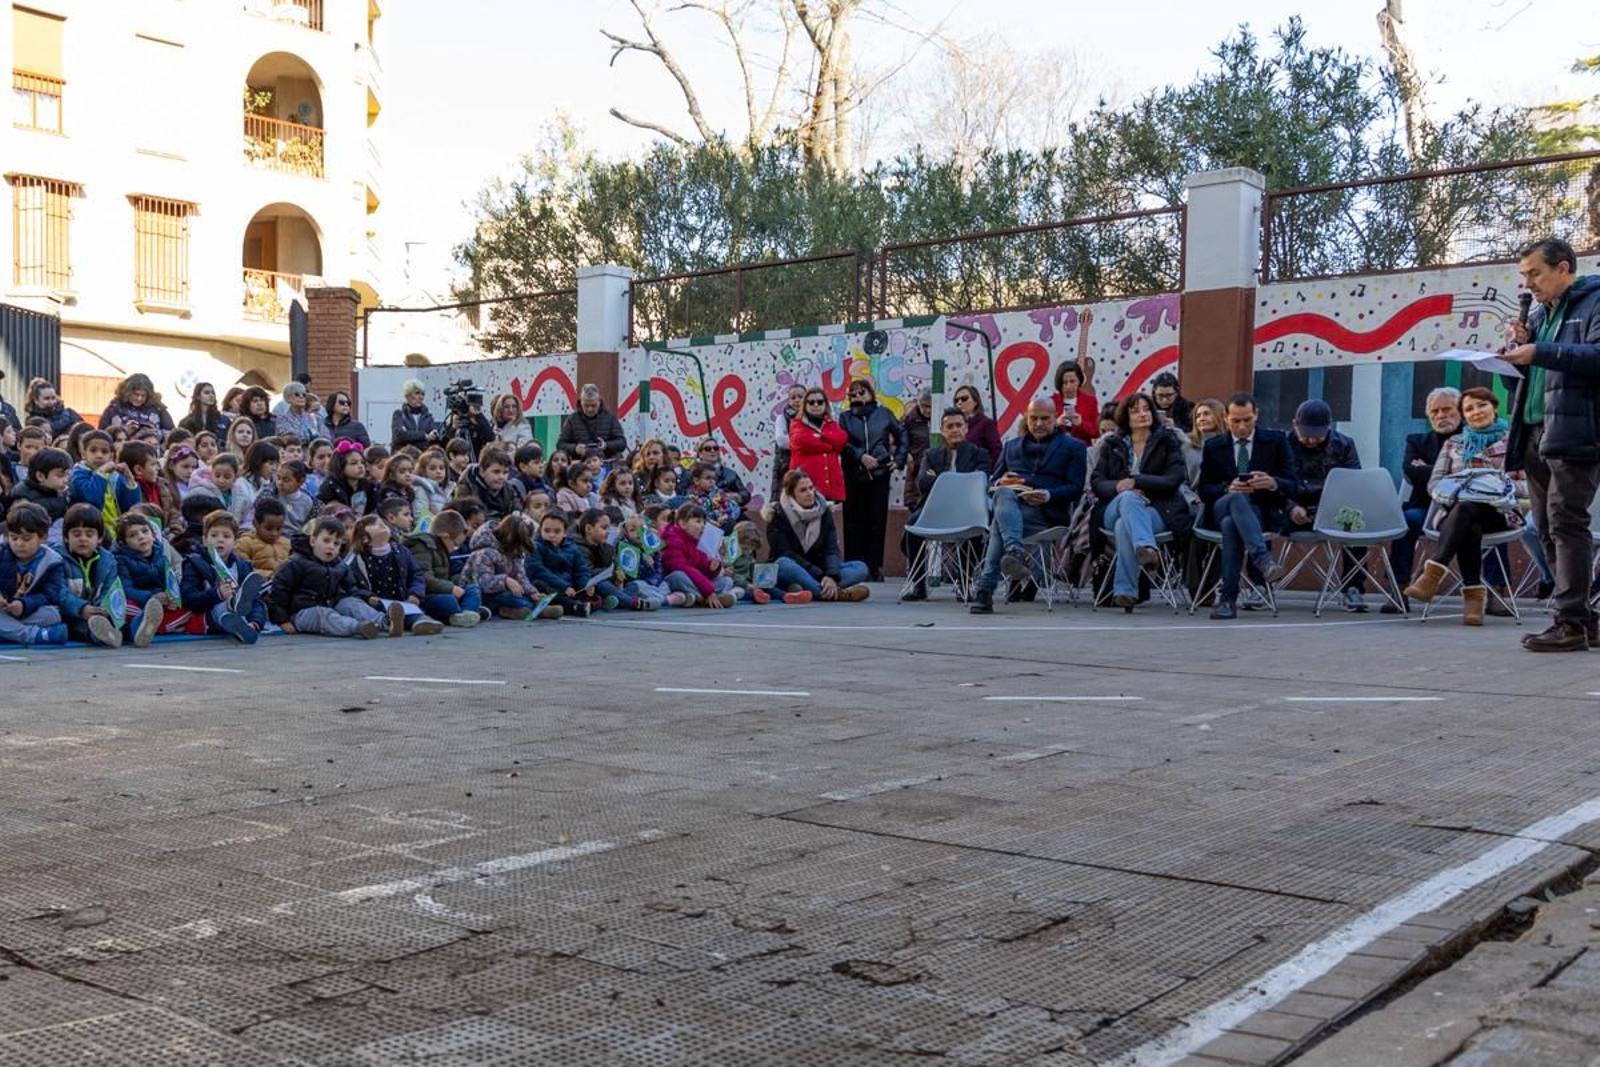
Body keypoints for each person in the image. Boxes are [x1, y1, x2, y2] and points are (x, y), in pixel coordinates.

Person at [1502, 237, 1600, 652]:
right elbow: (1519, 384)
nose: (1528, 284)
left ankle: (1570, 621)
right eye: (1524, 275)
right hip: (1533, 432)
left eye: (1535, 273)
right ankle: (1585, 620)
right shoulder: (1541, 316)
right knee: (1543, 528)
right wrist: (1512, 355)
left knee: (1566, 523)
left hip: (1575, 432)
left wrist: (1539, 350)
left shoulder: (1594, 302)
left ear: (1563, 268)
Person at [1400, 386, 1523, 626]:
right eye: (1469, 408)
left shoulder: (1513, 442)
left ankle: (1433, 574)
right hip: (1457, 511)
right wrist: (1459, 488)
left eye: (1482, 405)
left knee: (1466, 511)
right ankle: (1473, 604)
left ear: (1494, 408)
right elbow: (1434, 483)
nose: (1476, 412)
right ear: (1464, 415)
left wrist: (1499, 486)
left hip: (1498, 512)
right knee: (1468, 520)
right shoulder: (1454, 444)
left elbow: (1529, 484)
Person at [969, 400, 1087, 614]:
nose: (1039, 423)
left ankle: (986, 588)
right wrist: (1001, 481)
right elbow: (991, 483)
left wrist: (1047, 495)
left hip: (1048, 514)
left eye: (1045, 419)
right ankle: (1013, 553)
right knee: (1003, 494)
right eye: (1033, 418)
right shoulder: (1011, 446)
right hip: (1013, 510)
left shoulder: (1074, 447)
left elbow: (1076, 488)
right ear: (1026, 418)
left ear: (1055, 418)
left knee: (1000, 522)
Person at [1198, 393, 1296, 620]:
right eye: (1236, 421)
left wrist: (1273, 483)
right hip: (1221, 506)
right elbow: (1204, 490)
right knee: (1235, 499)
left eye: (1247, 420)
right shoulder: (1214, 446)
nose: (1242, 427)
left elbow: (1292, 484)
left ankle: (1227, 600)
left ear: (1256, 415)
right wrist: (1228, 488)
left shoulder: (1276, 441)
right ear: (1225, 417)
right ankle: (1263, 559)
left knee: (1231, 525)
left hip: (1259, 512)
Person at [1090, 393, 1192, 610]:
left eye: (1146, 409)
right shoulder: (1112, 444)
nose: (1143, 414)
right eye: (1135, 410)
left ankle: (1125, 591)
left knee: (1123, 527)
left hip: (1158, 509)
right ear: (1125, 417)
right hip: (1115, 507)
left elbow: (1175, 478)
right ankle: (1146, 547)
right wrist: (1119, 486)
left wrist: (1137, 481)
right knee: (1129, 498)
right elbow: (1097, 481)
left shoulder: (1167, 441)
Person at [1283, 399, 1368, 613]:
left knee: (1356, 523)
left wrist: (1330, 508)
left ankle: (1353, 587)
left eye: (1318, 435)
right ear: (1295, 425)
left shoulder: (1344, 444)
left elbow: (1353, 483)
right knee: (1261, 515)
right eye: (1306, 434)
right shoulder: (1283, 444)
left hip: (1332, 511)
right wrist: (1291, 507)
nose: (1311, 440)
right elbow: (1275, 485)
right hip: (1292, 510)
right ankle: (1260, 586)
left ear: (1328, 427)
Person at [901, 407, 991, 602]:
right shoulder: (931, 455)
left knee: (976, 527)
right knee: (913, 525)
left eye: (959, 425)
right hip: (935, 510)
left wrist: (941, 478)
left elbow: (979, 483)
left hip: (968, 509)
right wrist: (961, 480)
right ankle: (919, 585)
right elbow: (923, 483)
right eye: (949, 426)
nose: (955, 430)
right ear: (942, 431)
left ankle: (964, 583)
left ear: (966, 428)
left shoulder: (980, 454)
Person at [267, 516, 402, 639]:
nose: (331, 547)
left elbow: (352, 589)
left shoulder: (340, 565)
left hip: (331, 605)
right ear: (313, 541)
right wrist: (282, 620)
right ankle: (359, 627)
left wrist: (365, 597)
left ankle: (385, 622)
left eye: (336, 543)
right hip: (301, 613)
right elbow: (278, 593)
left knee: (351, 604)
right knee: (323, 615)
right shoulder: (295, 563)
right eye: (326, 541)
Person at [1389, 387, 1461, 612]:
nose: (1441, 416)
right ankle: (1399, 589)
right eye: (1435, 412)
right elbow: (1411, 472)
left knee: (1493, 520)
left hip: (1465, 510)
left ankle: (1497, 592)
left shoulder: (1473, 439)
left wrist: (1428, 469)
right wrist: (1452, 471)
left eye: (1447, 409)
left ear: (1460, 410)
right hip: (1425, 509)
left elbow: (1472, 474)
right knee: (1406, 520)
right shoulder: (1417, 441)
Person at [763, 470, 868, 604]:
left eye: (811, 488)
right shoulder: (776, 515)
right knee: (783, 563)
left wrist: (831, 576)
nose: (810, 493)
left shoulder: (824, 511)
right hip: (793, 569)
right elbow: (785, 553)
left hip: (820, 568)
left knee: (860, 568)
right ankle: (835, 594)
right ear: (791, 494)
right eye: (803, 490)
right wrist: (821, 575)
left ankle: (812, 589)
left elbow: (831, 549)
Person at [839, 380, 906, 582]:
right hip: (854, 474)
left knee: (877, 522)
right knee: (853, 522)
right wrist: (860, 456)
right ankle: (854, 566)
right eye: (853, 394)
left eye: (862, 392)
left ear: (870, 393)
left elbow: (902, 434)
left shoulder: (884, 413)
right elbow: (842, 442)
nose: (858, 396)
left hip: (879, 474)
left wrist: (899, 460)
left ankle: (874, 567)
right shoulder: (845, 417)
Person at [180, 510, 268, 644]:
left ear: (235, 542)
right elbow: (188, 598)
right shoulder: (194, 563)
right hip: (209, 616)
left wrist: (255, 622)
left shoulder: (243, 566)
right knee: (223, 611)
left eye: (226, 536)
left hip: (241, 617)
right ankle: (234, 605)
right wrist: (217, 594)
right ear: (204, 540)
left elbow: (256, 600)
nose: (220, 539)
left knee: (249, 605)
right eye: (214, 535)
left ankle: (244, 628)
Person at [349, 515, 445, 635]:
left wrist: (415, 594)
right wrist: (368, 597)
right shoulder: (357, 560)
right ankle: (390, 624)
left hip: (402, 601)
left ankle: (422, 623)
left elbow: (416, 574)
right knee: (371, 613)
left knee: (414, 613)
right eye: (373, 524)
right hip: (376, 604)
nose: (381, 524)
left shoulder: (402, 551)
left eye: (382, 522)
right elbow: (351, 586)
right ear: (364, 538)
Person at [54, 503, 128, 648]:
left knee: (122, 618)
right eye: (76, 534)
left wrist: (102, 609)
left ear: (99, 538)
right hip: (70, 613)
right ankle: (102, 636)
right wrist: (81, 608)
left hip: (96, 612)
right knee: (77, 625)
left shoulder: (108, 561)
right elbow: (58, 592)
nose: (83, 539)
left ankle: (135, 629)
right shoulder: (56, 558)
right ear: (66, 537)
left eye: (89, 534)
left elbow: (109, 589)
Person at [467, 513, 561, 620]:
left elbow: (521, 576)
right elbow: (484, 583)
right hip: (481, 596)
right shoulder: (485, 553)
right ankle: (534, 610)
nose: (521, 550)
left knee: (521, 594)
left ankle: (517, 610)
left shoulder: (514, 553)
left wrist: (532, 593)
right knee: (507, 597)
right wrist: (505, 580)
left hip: (504, 592)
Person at [0, 502, 68, 646]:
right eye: (14, 538)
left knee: (52, 615)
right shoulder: (2, 553)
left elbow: (49, 595)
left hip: (28, 611)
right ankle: (36, 635)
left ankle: (9, 631)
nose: (19, 544)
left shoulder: (53, 561)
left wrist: (24, 605)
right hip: (3, 610)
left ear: (43, 537)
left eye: (26, 539)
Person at [403, 509, 483, 627]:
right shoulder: (422, 546)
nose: (455, 549)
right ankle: (464, 612)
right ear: (445, 537)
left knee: (472, 589)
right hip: (425, 595)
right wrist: (450, 588)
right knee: (449, 601)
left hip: (441, 590)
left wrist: (460, 580)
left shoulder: (442, 548)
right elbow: (424, 578)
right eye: (455, 545)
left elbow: (446, 576)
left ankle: (465, 614)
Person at [661, 503, 736, 608]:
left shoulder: (694, 540)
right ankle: (705, 598)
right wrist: (708, 590)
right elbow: (682, 568)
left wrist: (712, 568)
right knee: (677, 576)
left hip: (694, 582)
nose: (703, 526)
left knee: (726, 581)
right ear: (683, 524)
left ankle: (698, 598)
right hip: (676, 581)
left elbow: (701, 565)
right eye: (698, 521)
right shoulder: (671, 539)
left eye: (704, 522)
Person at [788, 387, 848, 502]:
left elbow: (842, 439)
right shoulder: (797, 423)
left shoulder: (831, 423)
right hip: (806, 485)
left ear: (825, 404)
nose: (816, 405)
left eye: (820, 402)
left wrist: (822, 435)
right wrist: (831, 446)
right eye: (811, 402)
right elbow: (801, 442)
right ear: (805, 404)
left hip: (830, 485)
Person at [558, 384, 627, 461]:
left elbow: (622, 443)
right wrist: (575, 449)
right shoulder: (572, 419)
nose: (590, 409)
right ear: (581, 402)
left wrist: (606, 445)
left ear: (599, 401)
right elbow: (560, 445)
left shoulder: (610, 418)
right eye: (586, 405)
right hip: (580, 463)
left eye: (593, 405)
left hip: (605, 461)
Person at [99, 374, 173, 436]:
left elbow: (171, 435)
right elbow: (102, 436)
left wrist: (154, 434)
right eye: (136, 394)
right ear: (127, 392)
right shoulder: (114, 409)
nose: (139, 398)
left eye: (143, 395)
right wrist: (124, 431)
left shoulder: (158, 410)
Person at [236, 497, 291, 578]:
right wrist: (269, 576)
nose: (274, 533)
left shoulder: (288, 544)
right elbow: (242, 570)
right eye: (268, 528)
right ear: (255, 523)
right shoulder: (245, 544)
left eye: (278, 529)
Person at [951, 384, 1001, 470]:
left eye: (964, 398)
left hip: (978, 473)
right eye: (956, 400)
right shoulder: (954, 426)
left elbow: (996, 451)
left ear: (975, 402)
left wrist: (985, 470)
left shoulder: (986, 423)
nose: (959, 402)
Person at [692, 438, 751, 510]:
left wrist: (737, 496)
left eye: (715, 448)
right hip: (699, 511)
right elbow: (683, 493)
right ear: (700, 452)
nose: (712, 451)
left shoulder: (730, 473)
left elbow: (745, 493)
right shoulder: (691, 473)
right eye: (708, 449)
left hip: (728, 511)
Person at [317, 443, 375, 515]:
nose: (360, 466)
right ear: (340, 466)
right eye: (354, 463)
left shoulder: (368, 486)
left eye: (362, 462)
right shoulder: (330, 486)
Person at [900, 390, 934, 510]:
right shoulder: (909, 419)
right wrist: (905, 454)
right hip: (916, 473)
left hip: (937, 473)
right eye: (924, 406)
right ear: (918, 402)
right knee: (916, 511)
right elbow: (897, 443)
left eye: (931, 406)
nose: (928, 410)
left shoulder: (942, 417)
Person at [1052, 363, 1099, 446]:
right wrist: (1056, 423)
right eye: (1065, 382)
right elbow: (1041, 429)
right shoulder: (1052, 401)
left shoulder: (1090, 401)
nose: (1069, 386)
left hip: (1082, 448)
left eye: (1072, 381)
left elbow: (1096, 432)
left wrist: (1082, 424)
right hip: (1057, 448)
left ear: (1079, 381)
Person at [771, 384, 805, 500]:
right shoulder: (782, 418)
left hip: (805, 464)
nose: (796, 400)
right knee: (782, 498)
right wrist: (807, 442)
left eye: (800, 397)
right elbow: (782, 441)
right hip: (784, 465)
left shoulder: (811, 418)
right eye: (793, 397)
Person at [1183, 399, 1227, 487]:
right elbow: (1180, 479)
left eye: (1206, 414)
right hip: (1192, 494)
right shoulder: (1186, 443)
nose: (1201, 419)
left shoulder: (1230, 442)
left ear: (1221, 416)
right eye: (1198, 416)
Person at [390, 380, 439, 451]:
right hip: (403, 456)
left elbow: (434, 437)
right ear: (408, 396)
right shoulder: (399, 414)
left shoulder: (428, 416)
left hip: (422, 455)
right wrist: (424, 436)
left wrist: (434, 435)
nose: (421, 397)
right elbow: (400, 436)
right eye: (417, 393)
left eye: (423, 394)